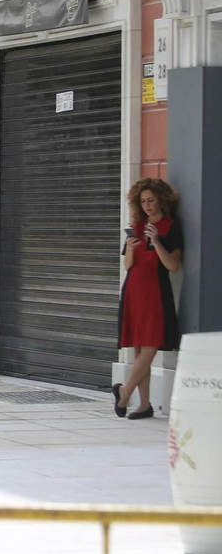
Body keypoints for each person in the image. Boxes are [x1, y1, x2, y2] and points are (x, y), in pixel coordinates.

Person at [114, 178, 183, 419]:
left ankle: (124, 393)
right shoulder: (137, 225)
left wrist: (155, 240)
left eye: (151, 201)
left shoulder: (170, 227)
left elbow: (173, 266)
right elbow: (128, 265)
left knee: (150, 347)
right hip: (134, 290)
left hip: (155, 292)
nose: (147, 206)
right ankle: (143, 405)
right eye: (142, 201)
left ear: (162, 200)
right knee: (139, 348)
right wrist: (131, 248)